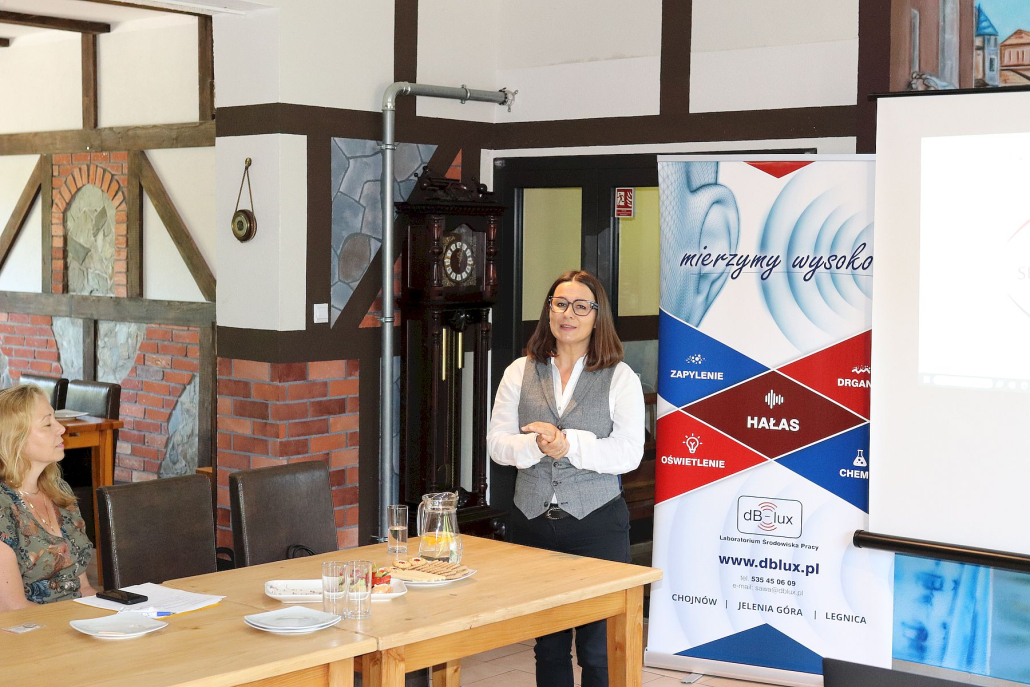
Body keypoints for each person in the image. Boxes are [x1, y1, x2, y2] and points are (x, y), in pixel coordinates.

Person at [487, 270, 645, 687]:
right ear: (548, 311)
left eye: (580, 306)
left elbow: (629, 452)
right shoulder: (519, 371)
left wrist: (568, 444)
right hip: (532, 523)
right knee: (548, 646)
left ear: (597, 315)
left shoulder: (620, 376)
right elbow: (498, 444)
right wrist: (537, 446)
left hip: (597, 526)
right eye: (559, 304)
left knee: (598, 649)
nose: (567, 314)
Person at [0, 384, 95, 610]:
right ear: (16, 438)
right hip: (31, 628)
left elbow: (83, 588)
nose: (61, 428)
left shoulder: (58, 491)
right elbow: (13, 610)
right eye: (47, 424)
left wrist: (117, 615)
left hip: (73, 621)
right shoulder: (3, 507)